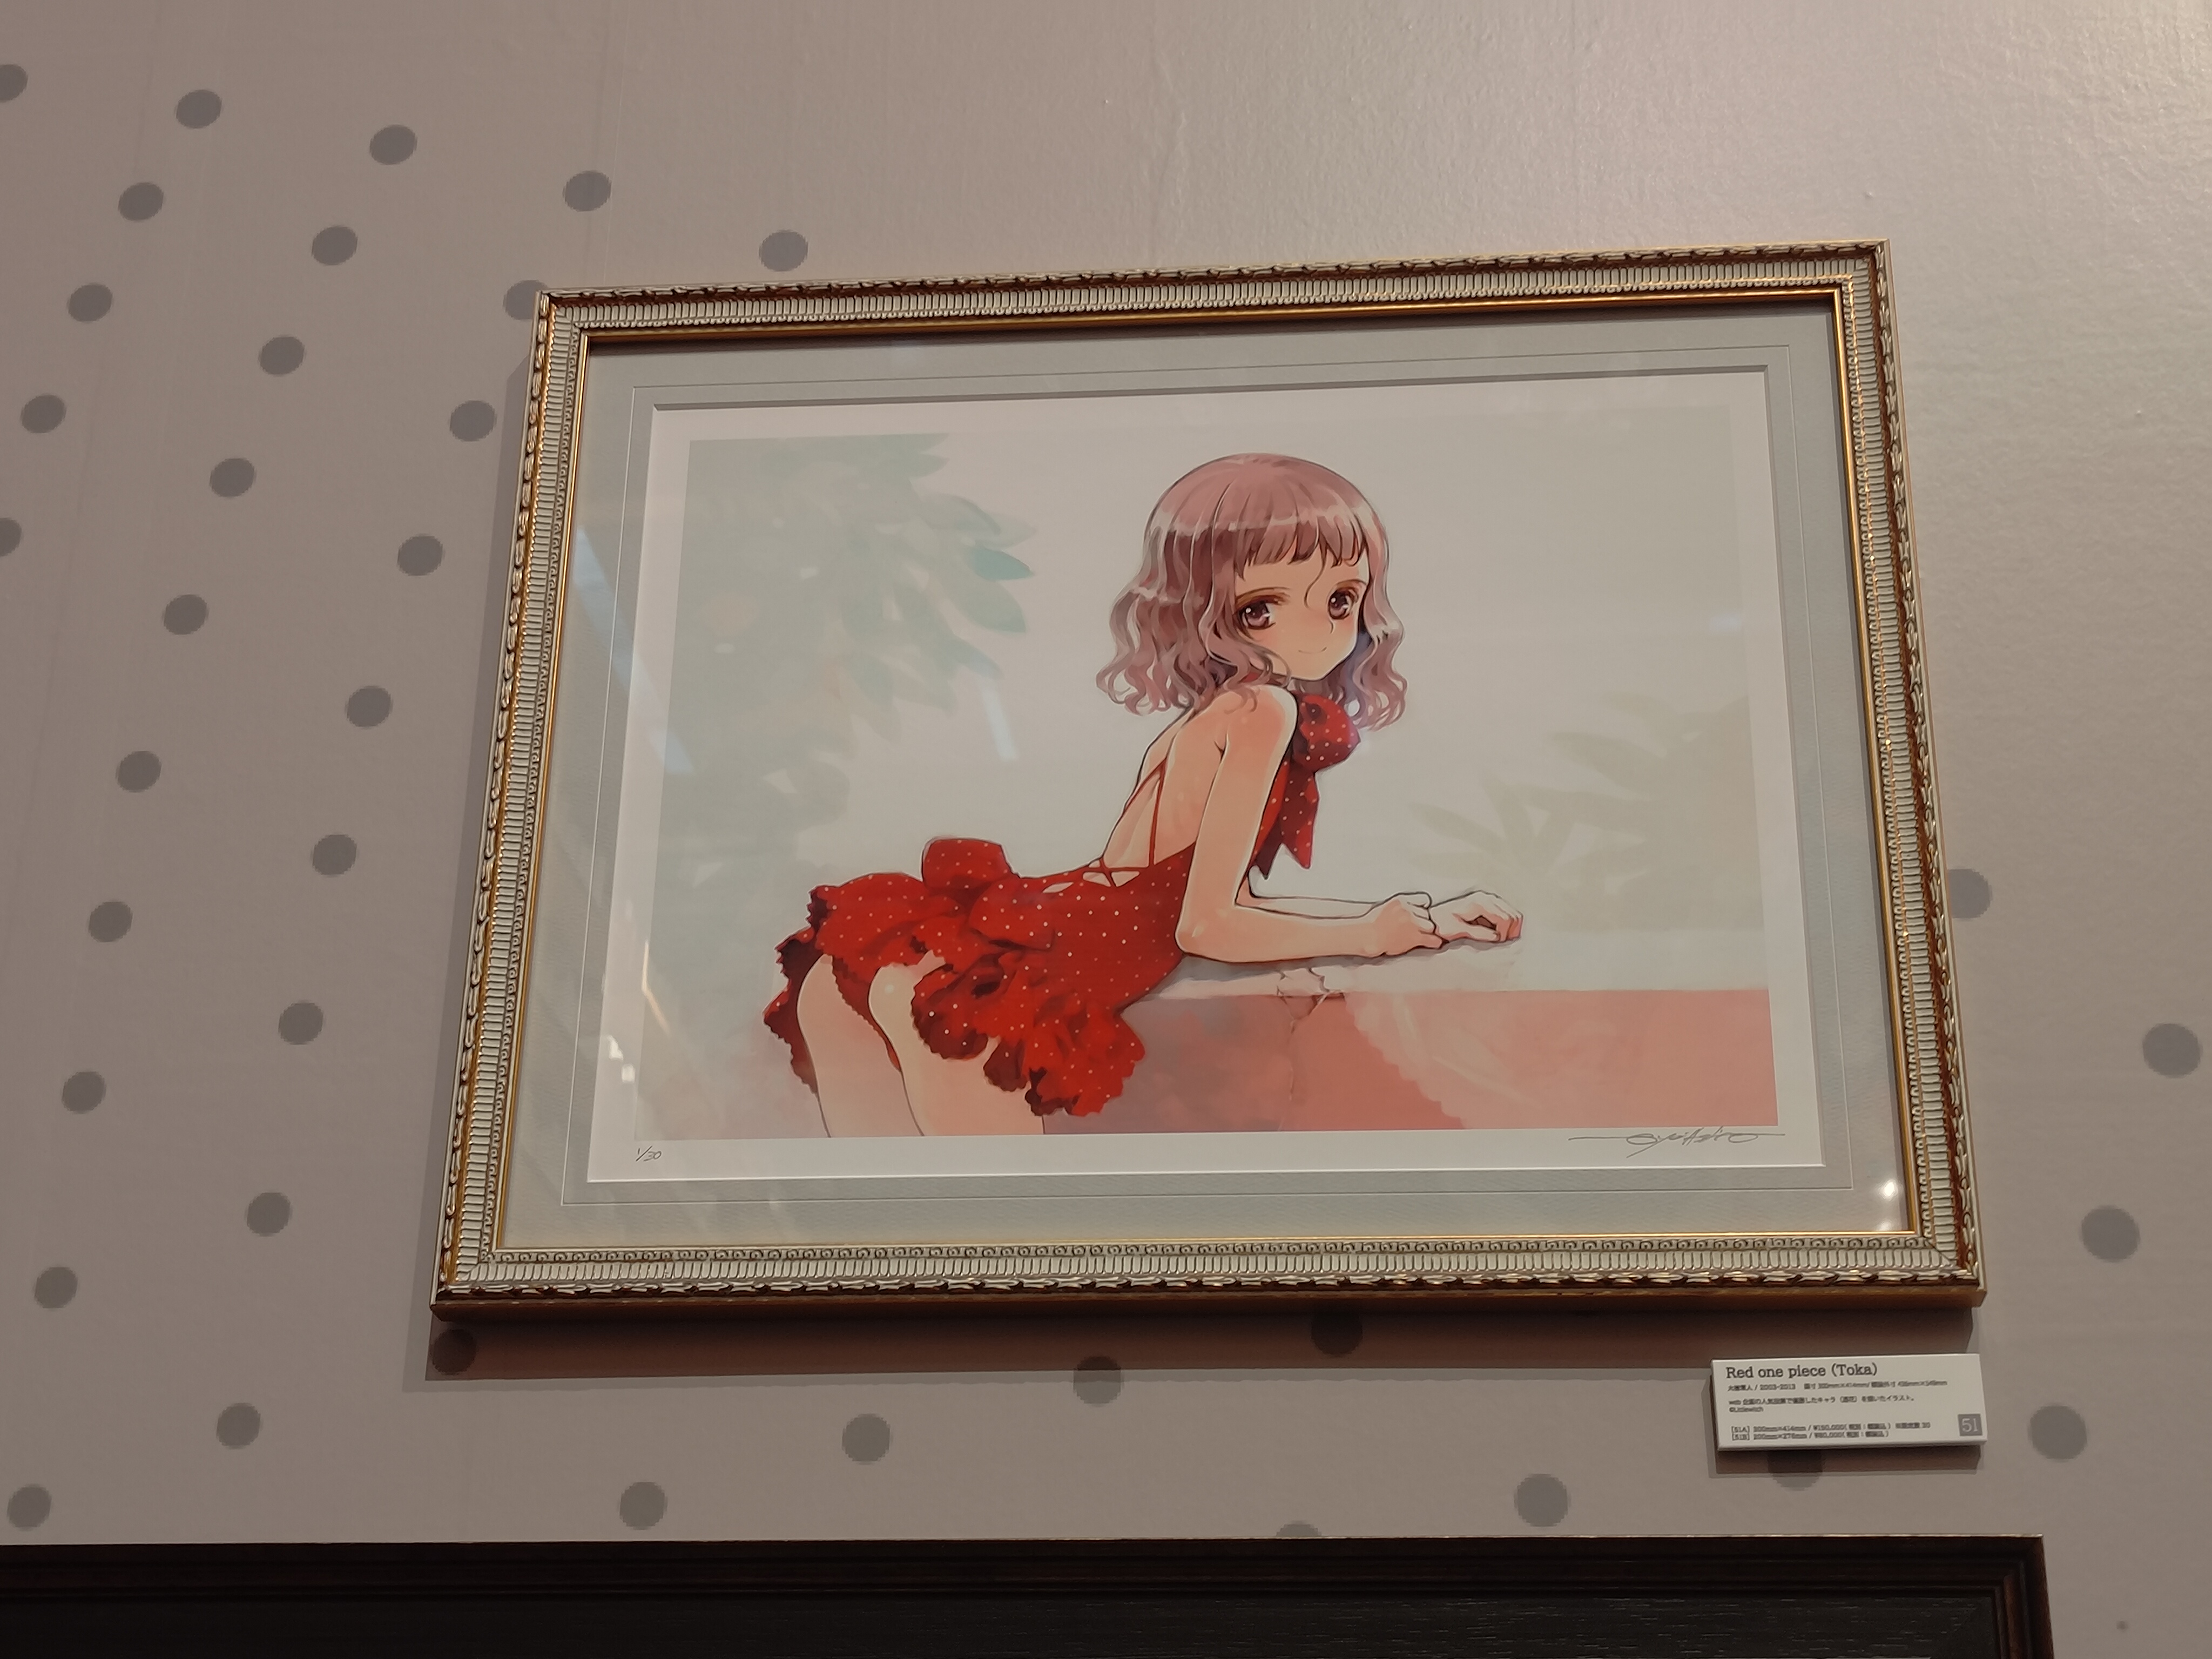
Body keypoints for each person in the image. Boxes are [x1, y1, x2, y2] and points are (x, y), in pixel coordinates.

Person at [764, 452, 1520, 1136]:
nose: (1319, 632)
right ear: (1203, 609)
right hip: (1061, 958)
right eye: (1262, 607)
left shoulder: (1219, 713)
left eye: (1341, 599)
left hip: (1024, 926)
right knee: (998, 1223)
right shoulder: (1264, 711)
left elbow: (1224, 901)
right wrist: (1371, 933)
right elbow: (1208, 925)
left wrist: (1415, 920)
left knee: (887, 1201)